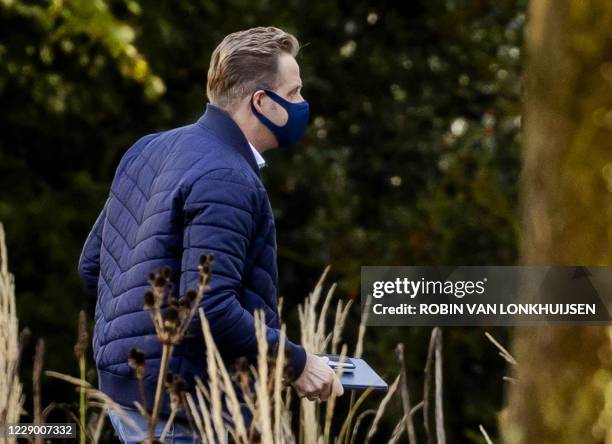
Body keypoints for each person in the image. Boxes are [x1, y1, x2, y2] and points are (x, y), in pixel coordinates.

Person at [77, 26, 343, 443]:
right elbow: (210, 308)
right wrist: (296, 362)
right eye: (293, 94)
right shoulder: (228, 177)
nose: (302, 105)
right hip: (186, 411)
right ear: (261, 102)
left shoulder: (148, 148)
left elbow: (93, 265)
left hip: (125, 401)